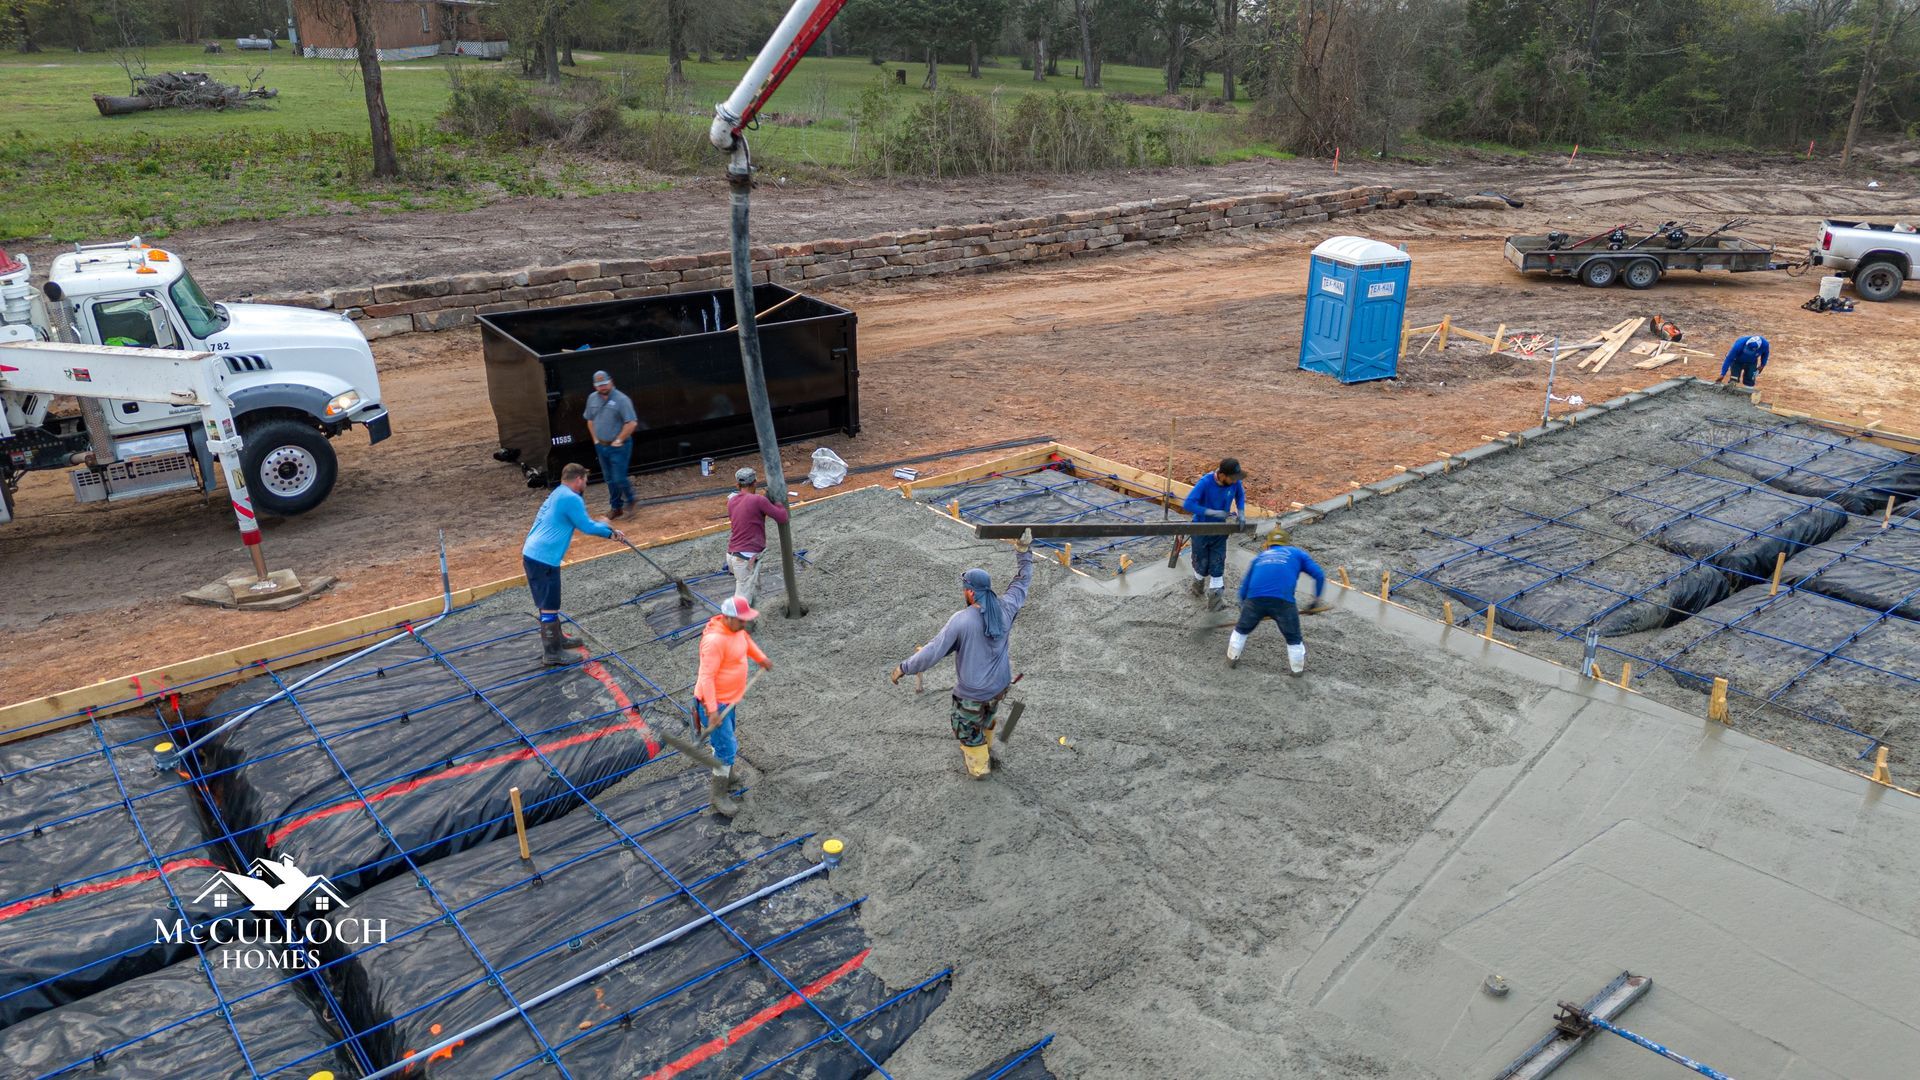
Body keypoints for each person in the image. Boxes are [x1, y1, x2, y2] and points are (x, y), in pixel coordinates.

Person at [890, 530, 1035, 780]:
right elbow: (1022, 582)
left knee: (966, 728)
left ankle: (980, 769)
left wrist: (904, 667)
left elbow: (933, 651)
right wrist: (1023, 552)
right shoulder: (1006, 607)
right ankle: (988, 746)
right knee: (988, 715)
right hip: (1000, 685)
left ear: (970, 592)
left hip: (973, 693)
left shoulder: (961, 621)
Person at [522, 462, 625, 665]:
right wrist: (610, 533)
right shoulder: (571, 498)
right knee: (550, 605)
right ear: (578, 479)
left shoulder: (559, 493)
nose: (586, 483)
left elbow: (582, 522)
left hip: (534, 554)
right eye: (585, 480)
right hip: (543, 558)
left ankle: (558, 639)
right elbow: (586, 526)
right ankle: (552, 653)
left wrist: (604, 527)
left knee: (549, 603)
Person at [694, 596, 772, 818]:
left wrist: (761, 659)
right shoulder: (715, 641)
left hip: (729, 699)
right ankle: (718, 794)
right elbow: (706, 677)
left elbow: (746, 643)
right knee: (726, 748)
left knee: (726, 741)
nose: (745, 624)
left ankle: (726, 774)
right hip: (715, 704)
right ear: (728, 618)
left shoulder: (736, 630)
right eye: (741, 620)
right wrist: (712, 710)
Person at [1229, 527, 1328, 674]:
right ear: (1287, 543)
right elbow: (1319, 575)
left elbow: (1244, 588)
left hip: (1255, 600)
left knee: (1241, 630)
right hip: (1283, 601)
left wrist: (1243, 607)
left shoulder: (1259, 558)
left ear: (1268, 545)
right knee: (1293, 637)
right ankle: (1297, 671)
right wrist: (1315, 601)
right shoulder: (1297, 553)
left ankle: (1232, 658)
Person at [1183, 458, 1247, 610]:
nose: (1235, 481)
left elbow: (1240, 495)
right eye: (1232, 478)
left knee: (1218, 564)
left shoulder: (1235, 482)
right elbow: (1188, 504)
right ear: (1222, 475)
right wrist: (1211, 512)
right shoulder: (1205, 483)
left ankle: (1215, 602)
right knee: (1201, 564)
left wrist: (1242, 512)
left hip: (1220, 531)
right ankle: (1197, 586)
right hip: (1201, 529)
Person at [725, 467, 790, 605]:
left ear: (737, 485)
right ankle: (737, 625)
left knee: (751, 590)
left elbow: (751, 513)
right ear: (755, 483)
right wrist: (777, 498)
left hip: (732, 555)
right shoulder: (758, 501)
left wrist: (766, 500)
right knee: (742, 601)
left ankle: (751, 619)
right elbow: (783, 517)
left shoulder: (732, 501)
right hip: (744, 558)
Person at [583, 370, 638, 519]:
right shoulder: (592, 399)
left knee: (619, 477)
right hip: (601, 446)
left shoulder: (622, 400)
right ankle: (616, 507)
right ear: (595, 386)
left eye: (605, 384)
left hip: (619, 447)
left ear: (611, 382)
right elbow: (590, 420)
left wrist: (619, 440)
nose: (603, 387)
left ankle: (631, 500)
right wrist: (595, 440)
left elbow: (631, 423)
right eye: (599, 385)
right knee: (609, 479)